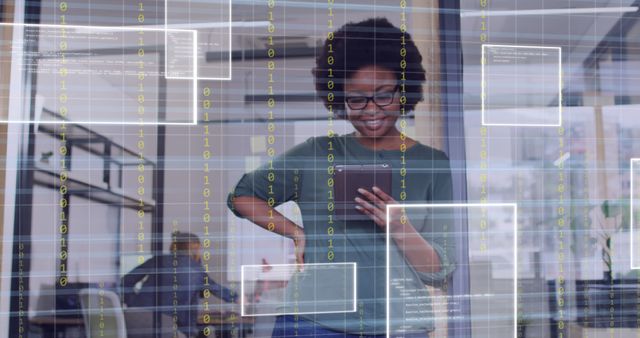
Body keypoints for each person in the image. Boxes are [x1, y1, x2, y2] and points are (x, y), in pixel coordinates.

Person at [227, 17, 455, 337]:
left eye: (383, 94)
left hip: (399, 324)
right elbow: (242, 196)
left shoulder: (432, 164)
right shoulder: (316, 154)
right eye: (356, 99)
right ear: (339, 99)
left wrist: (399, 225)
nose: (370, 109)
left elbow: (438, 271)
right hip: (313, 322)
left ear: (403, 91)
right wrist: (295, 232)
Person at [122, 231, 238, 337]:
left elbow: (125, 282)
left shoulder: (158, 260)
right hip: (167, 328)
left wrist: (134, 304)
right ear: (195, 248)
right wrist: (238, 298)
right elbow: (215, 288)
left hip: (135, 322)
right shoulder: (195, 268)